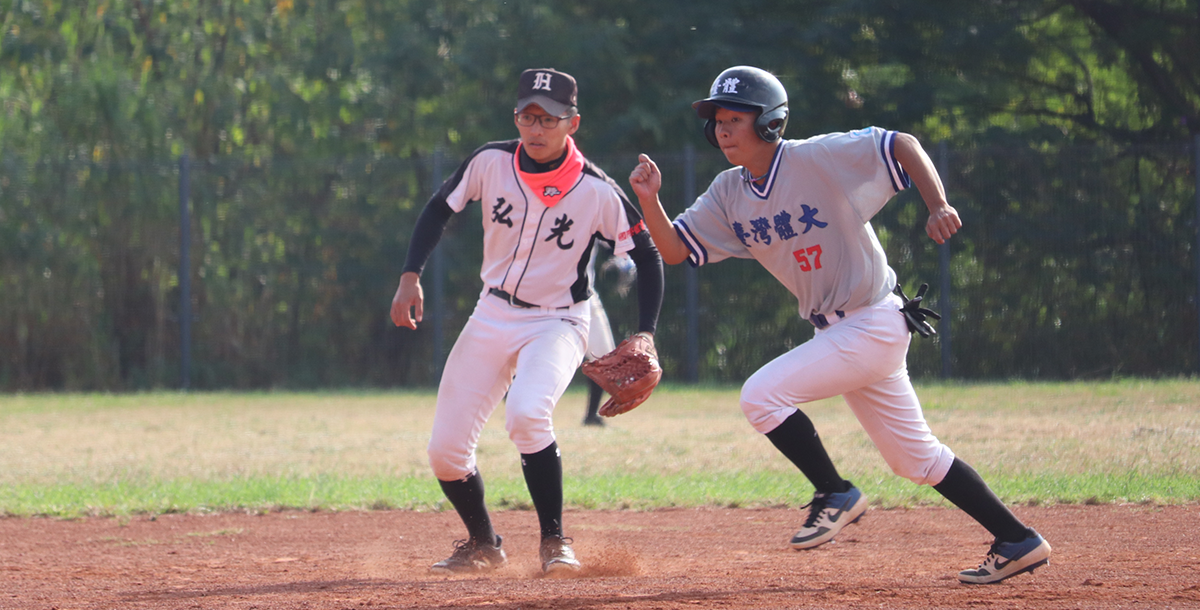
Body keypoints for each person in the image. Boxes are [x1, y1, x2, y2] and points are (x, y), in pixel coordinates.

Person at [627, 65, 1050, 585]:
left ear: (770, 124)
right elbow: (674, 251)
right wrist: (650, 201)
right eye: (717, 120)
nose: (722, 130)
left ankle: (834, 492)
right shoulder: (727, 192)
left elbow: (901, 144)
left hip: (873, 321)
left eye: (736, 119)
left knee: (760, 396)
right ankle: (1017, 539)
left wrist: (937, 203)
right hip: (840, 332)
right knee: (915, 460)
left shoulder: (815, 157)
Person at [391, 68, 664, 575]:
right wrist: (411, 275)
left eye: (548, 119)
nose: (535, 128)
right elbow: (438, 209)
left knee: (526, 413)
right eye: (526, 116)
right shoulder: (489, 161)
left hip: (558, 321)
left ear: (572, 123)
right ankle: (483, 544)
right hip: (491, 311)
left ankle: (555, 542)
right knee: (445, 453)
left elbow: (647, 257)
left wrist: (645, 331)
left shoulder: (595, 189)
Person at [580, 246, 637, 427]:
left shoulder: (592, 216)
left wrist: (623, 260)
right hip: (544, 298)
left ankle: (591, 416)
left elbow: (614, 239)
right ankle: (515, 400)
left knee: (604, 359)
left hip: (584, 296)